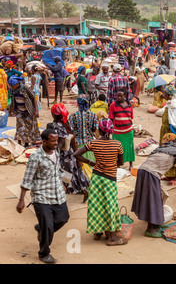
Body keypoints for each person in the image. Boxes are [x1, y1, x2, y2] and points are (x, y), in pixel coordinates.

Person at [17, 129, 70, 264]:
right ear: (44, 141)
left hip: (57, 193)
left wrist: (62, 183)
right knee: (48, 227)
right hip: (41, 195)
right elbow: (27, 179)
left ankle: (41, 229)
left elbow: (57, 170)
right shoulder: (36, 157)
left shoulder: (56, 152)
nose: (56, 143)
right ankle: (44, 253)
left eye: (57, 140)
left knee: (63, 218)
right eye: (53, 141)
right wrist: (21, 200)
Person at [74, 118, 126, 246]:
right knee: (111, 206)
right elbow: (121, 163)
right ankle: (112, 238)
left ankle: (97, 232)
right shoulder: (117, 144)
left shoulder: (93, 143)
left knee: (97, 204)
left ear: (99, 130)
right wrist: (112, 162)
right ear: (111, 130)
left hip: (96, 177)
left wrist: (91, 163)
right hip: (109, 179)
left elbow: (76, 154)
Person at [48, 103, 90, 203]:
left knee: (62, 175)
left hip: (64, 156)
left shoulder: (54, 126)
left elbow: (61, 142)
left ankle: (58, 199)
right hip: (72, 154)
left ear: (54, 115)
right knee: (75, 173)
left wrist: (53, 150)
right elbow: (72, 140)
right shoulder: (67, 124)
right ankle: (84, 191)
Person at [8, 76, 40, 147]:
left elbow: (33, 98)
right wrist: (10, 110)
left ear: (17, 84)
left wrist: (36, 111)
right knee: (20, 127)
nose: (12, 87)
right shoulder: (12, 90)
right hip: (19, 110)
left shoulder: (25, 88)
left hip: (28, 110)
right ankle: (19, 143)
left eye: (13, 86)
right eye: (11, 86)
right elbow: (12, 100)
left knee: (28, 127)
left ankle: (26, 143)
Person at [109, 88, 135, 170]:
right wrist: (111, 130)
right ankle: (118, 165)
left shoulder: (129, 104)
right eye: (118, 96)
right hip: (117, 132)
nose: (119, 98)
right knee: (117, 149)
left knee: (129, 147)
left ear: (125, 96)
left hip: (128, 131)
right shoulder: (113, 105)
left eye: (121, 96)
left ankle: (131, 165)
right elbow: (111, 119)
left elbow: (131, 117)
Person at [69, 96, 99, 163]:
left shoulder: (73, 116)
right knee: (90, 165)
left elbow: (71, 130)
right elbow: (95, 129)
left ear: (78, 104)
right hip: (89, 144)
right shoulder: (93, 115)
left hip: (77, 145)